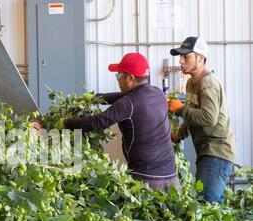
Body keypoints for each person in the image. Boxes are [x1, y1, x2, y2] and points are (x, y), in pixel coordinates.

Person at [37, 53, 180, 191]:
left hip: (147, 179)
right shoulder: (158, 94)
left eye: (119, 75)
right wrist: (95, 98)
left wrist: (67, 123)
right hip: (171, 177)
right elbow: (121, 96)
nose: (118, 80)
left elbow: (97, 122)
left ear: (130, 78)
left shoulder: (128, 103)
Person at [170, 36, 235, 203]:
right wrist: (181, 134)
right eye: (180, 57)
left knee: (205, 206)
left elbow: (209, 118)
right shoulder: (192, 83)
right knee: (210, 207)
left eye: (186, 56)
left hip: (216, 152)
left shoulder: (208, 84)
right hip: (206, 152)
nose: (181, 61)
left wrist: (180, 108)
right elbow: (195, 114)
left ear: (200, 58)